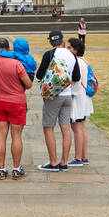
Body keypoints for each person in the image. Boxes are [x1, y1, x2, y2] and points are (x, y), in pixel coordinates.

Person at [0, 37, 32, 180]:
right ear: (9, 49)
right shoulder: (16, 63)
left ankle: (1, 169)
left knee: (1, 135)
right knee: (16, 136)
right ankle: (16, 169)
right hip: (17, 102)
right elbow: (28, 85)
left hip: (0, 102)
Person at [35, 29, 81, 171]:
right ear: (62, 41)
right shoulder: (71, 55)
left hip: (53, 96)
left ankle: (53, 162)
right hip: (67, 96)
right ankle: (64, 162)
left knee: (48, 127)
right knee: (65, 129)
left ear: (50, 41)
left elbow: (39, 74)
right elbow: (76, 77)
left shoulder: (49, 54)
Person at [67, 37, 93, 166]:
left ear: (76, 50)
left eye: (70, 47)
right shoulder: (84, 61)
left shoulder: (77, 62)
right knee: (82, 127)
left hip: (77, 97)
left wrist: (71, 95)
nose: (68, 49)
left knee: (77, 127)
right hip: (84, 97)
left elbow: (77, 82)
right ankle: (84, 156)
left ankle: (78, 158)